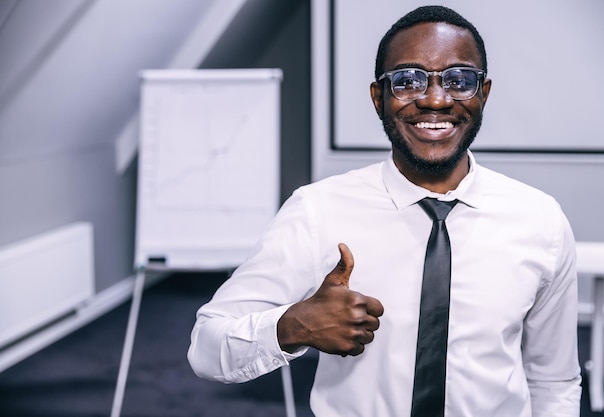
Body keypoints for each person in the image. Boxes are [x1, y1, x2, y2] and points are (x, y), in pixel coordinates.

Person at [188, 5, 581, 416]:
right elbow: (206, 346)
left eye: (459, 79)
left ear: (483, 94)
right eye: (408, 80)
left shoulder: (541, 221)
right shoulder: (317, 210)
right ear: (379, 98)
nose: (434, 99)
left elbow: (553, 381)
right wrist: (293, 325)